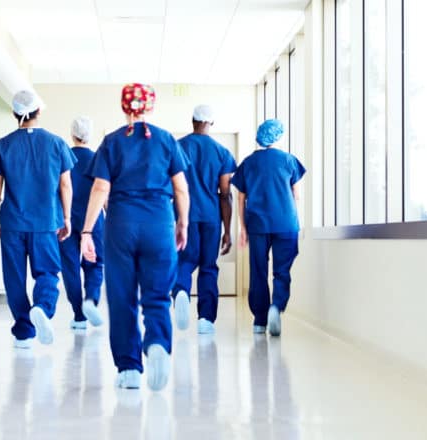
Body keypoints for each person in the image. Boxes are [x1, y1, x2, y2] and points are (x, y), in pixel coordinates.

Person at [80, 83, 190, 391]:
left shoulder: (112, 142)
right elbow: (181, 188)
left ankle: (128, 368)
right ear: (150, 107)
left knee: (122, 295)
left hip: (121, 224)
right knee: (156, 294)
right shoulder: (167, 139)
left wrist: (86, 231)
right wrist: (182, 223)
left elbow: (101, 188)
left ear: (124, 106)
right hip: (159, 222)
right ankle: (156, 342)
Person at [0, 89, 76, 349]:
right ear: (39, 111)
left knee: (14, 278)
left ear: (15, 113)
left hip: (13, 223)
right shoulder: (56, 143)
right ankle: (42, 308)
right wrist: (67, 218)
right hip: (46, 221)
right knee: (47, 272)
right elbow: (66, 186)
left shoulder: (3, 145)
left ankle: (24, 332)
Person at [231, 119, 305, 337]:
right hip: (285, 223)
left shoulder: (248, 163)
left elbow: (241, 197)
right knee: (281, 271)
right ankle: (276, 307)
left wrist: (243, 227)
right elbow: (296, 195)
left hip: (257, 224)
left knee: (258, 271)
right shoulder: (289, 160)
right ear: (279, 137)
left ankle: (259, 320)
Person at [172, 105, 237, 335]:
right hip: (211, 217)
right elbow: (225, 194)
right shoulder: (222, 152)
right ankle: (206, 319)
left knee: (184, 262)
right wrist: (227, 231)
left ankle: (180, 291)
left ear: (192, 121)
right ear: (211, 123)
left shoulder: (177, 148)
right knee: (208, 266)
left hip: (184, 215)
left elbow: (170, 186)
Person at [59, 116, 105, 331]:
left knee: (70, 267)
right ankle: (91, 300)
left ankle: (79, 316)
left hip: (65, 219)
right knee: (95, 263)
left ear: (72, 134)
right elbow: (104, 193)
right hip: (93, 221)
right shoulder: (98, 159)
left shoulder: (63, 157)